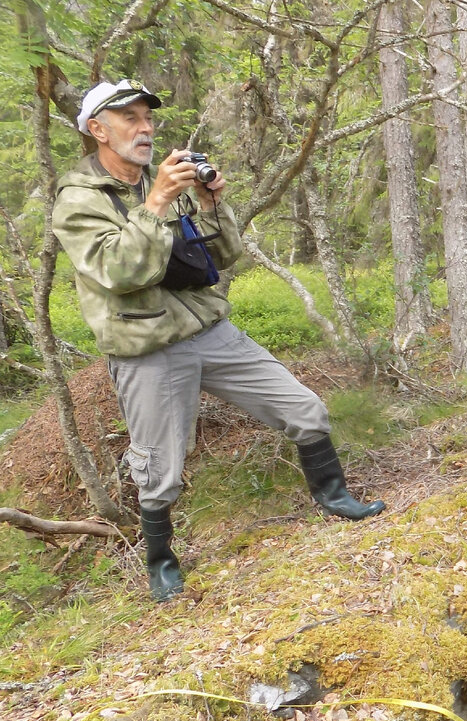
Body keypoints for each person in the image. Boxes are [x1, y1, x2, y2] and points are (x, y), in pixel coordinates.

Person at [52, 79, 385, 602]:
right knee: (160, 472)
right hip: (147, 350)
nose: (145, 129)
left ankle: (335, 495)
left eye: (148, 118)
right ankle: (161, 564)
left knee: (304, 407)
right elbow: (120, 271)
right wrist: (160, 200)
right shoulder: (78, 201)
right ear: (98, 129)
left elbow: (221, 257)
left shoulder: (153, 184)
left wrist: (209, 204)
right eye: (130, 119)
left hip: (209, 331)